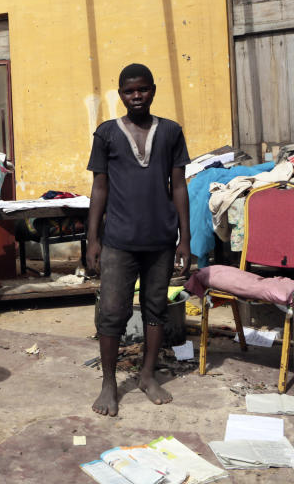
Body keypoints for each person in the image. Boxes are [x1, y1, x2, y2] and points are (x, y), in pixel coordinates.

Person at [85, 63, 190, 417]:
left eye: (142, 90)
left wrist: (184, 239)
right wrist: (92, 240)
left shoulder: (172, 132)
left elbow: (178, 186)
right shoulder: (107, 134)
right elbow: (99, 189)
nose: (136, 96)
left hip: (160, 239)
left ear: (153, 90)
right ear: (121, 95)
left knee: (155, 310)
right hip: (118, 241)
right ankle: (109, 383)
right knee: (112, 312)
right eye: (129, 91)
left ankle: (147, 375)